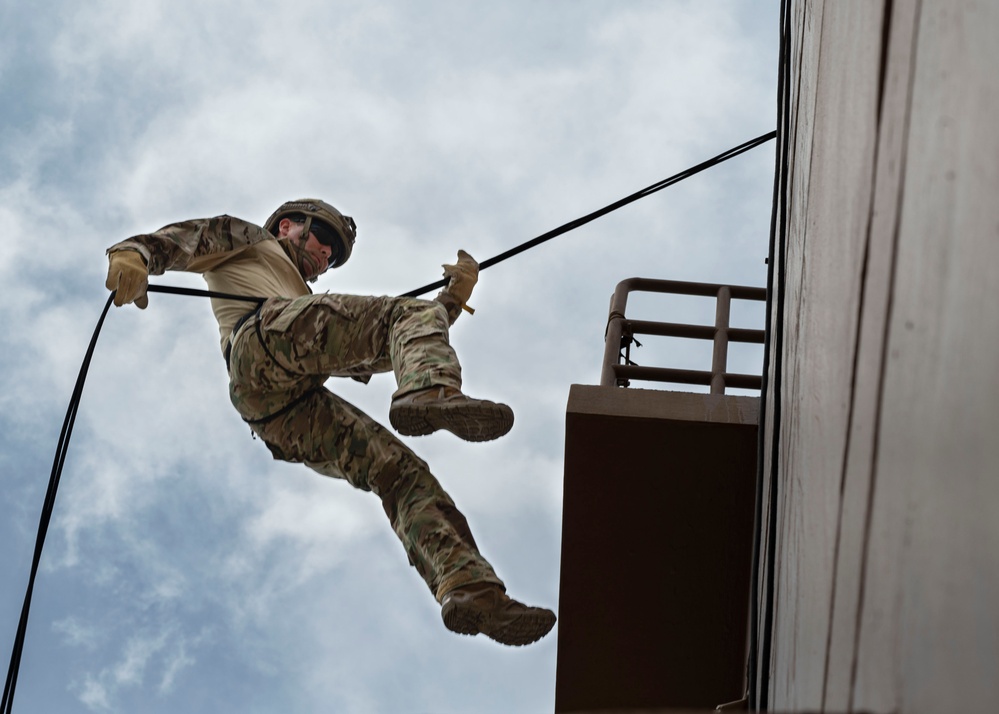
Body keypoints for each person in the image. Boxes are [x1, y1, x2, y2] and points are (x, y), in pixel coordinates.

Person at [104, 198, 556, 646]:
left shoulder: (302, 299)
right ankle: (429, 390)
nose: (324, 258)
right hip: (259, 340)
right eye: (322, 241)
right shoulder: (253, 243)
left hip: (282, 411)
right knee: (405, 314)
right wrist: (134, 254)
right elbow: (191, 238)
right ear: (287, 226)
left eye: (332, 256)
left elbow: (377, 348)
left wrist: (447, 305)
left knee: (400, 473)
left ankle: (469, 588)